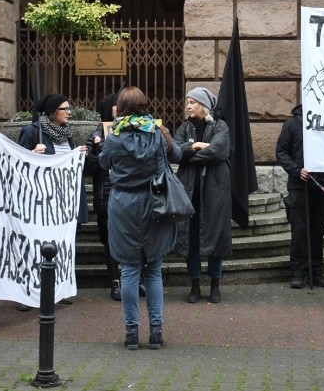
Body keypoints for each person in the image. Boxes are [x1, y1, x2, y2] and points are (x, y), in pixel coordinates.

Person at [99, 86, 181, 350]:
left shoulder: (114, 137)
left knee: (129, 269)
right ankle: (156, 331)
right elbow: (177, 154)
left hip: (123, 205)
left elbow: (103, 164)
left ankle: (131, 332)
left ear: (120, 108)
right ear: (145, 106)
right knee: (154, 269)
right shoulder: (157, 133)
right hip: (155, 204)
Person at [17, 93, 89, 310]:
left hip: (64, 202)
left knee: (62, 245)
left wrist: (80, 156)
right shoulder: (32, 132)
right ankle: (26, 293)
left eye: (69, 108)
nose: (69, 112)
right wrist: (32, 153)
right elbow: (19, 165)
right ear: (51, 113)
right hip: (41, 202)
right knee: (35, 245)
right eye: (64, 109)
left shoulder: (67, 135)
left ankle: (57, 289)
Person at [173, 87, 232, 303]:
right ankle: (195, 285)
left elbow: (218, 151)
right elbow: (175, 152)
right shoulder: (184, 127)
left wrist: (190, 154)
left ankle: (215, 284)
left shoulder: (219, 126)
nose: (188, 105)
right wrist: (194, 146)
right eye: (187, 101)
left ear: (204, 105)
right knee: (191, 240)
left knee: (216, 237)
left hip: (214, 193)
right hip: (190, 194)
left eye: (192, 102)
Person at [275, 104, 324, 289]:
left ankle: (315, 271)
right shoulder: (292, 124)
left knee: (318, 231)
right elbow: (281, 151)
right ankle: (297, 272)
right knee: (299, 231)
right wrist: (296, 170)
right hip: (299, 186)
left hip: (323, 184)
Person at [87, 92, 123, 300]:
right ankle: (115, 281)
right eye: (117, 106)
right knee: (110, 240)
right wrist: (98, 149)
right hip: (107, 196)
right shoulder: (96, 134)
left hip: (128, 194)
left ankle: (136, 280)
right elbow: (90, 168)